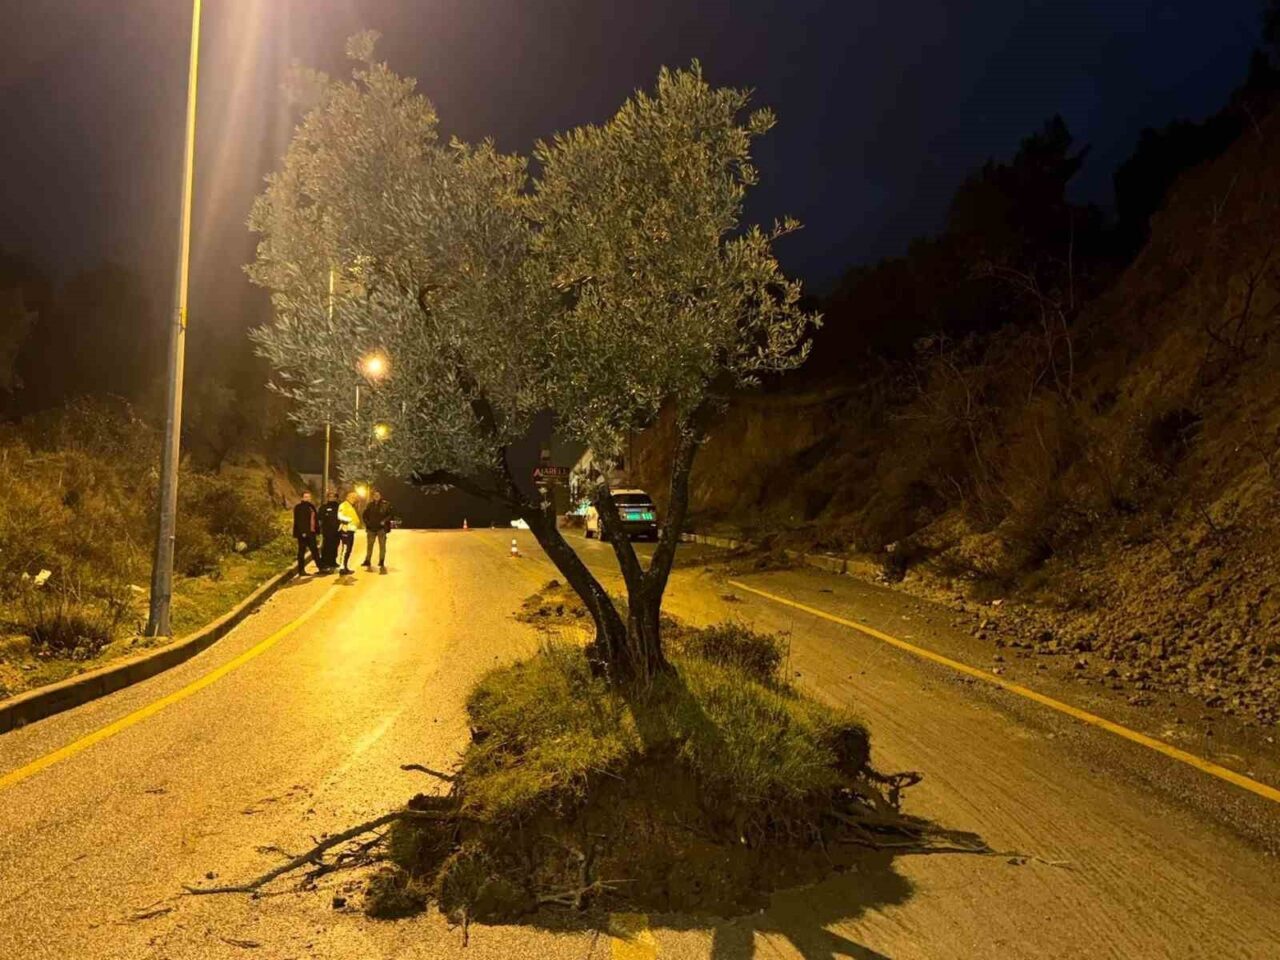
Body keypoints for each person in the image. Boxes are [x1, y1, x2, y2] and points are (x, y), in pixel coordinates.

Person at [361, 489, 394, 572]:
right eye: (375, 495)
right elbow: (364, 515)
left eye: (378, 495)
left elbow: (390, 515)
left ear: (380, 496)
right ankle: (367, 560)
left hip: (381, 529)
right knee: (369, 545)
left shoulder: (386, 504)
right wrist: (367, 523)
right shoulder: (369, 505)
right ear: (373, 496)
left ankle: (381, 561)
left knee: (382, 546)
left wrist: (384, 521)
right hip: (371, 529)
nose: (376, 496)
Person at [292, 491, 323, 575]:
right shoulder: (299, 507)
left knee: (314, 550)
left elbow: (314, 520)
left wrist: (317, 530)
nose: (307, 498)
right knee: (302, 551)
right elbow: (299, 521)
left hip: (311, 532)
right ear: (302, 498)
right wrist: (303, 532)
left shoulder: (311, 507)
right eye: (305, 497)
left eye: (309, 497)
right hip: (304, 533)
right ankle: (301, 570)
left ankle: (320, 568)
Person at [337, 490, 362, 575]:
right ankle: (342, 568)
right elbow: (340, 516)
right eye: (352, 497)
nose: (354, 499)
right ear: (347, 497)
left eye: (355, 497)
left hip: (350, 531)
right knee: (345, 549)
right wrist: (349, 520)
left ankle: (345, 566)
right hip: (345, 530)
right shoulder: (343, 505)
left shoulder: (351, 506)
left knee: (349, 549)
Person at [318, 491, 342, 572]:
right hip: (327, 532)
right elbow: (320, 518)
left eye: (333, 496)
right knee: (326, 547)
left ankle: (333, 561)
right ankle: (325, 562)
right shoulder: (324, 507)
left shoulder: (339, 507)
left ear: (336, 498)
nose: (331, 498)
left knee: (335, 546)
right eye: (330, 496)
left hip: (337, 532)